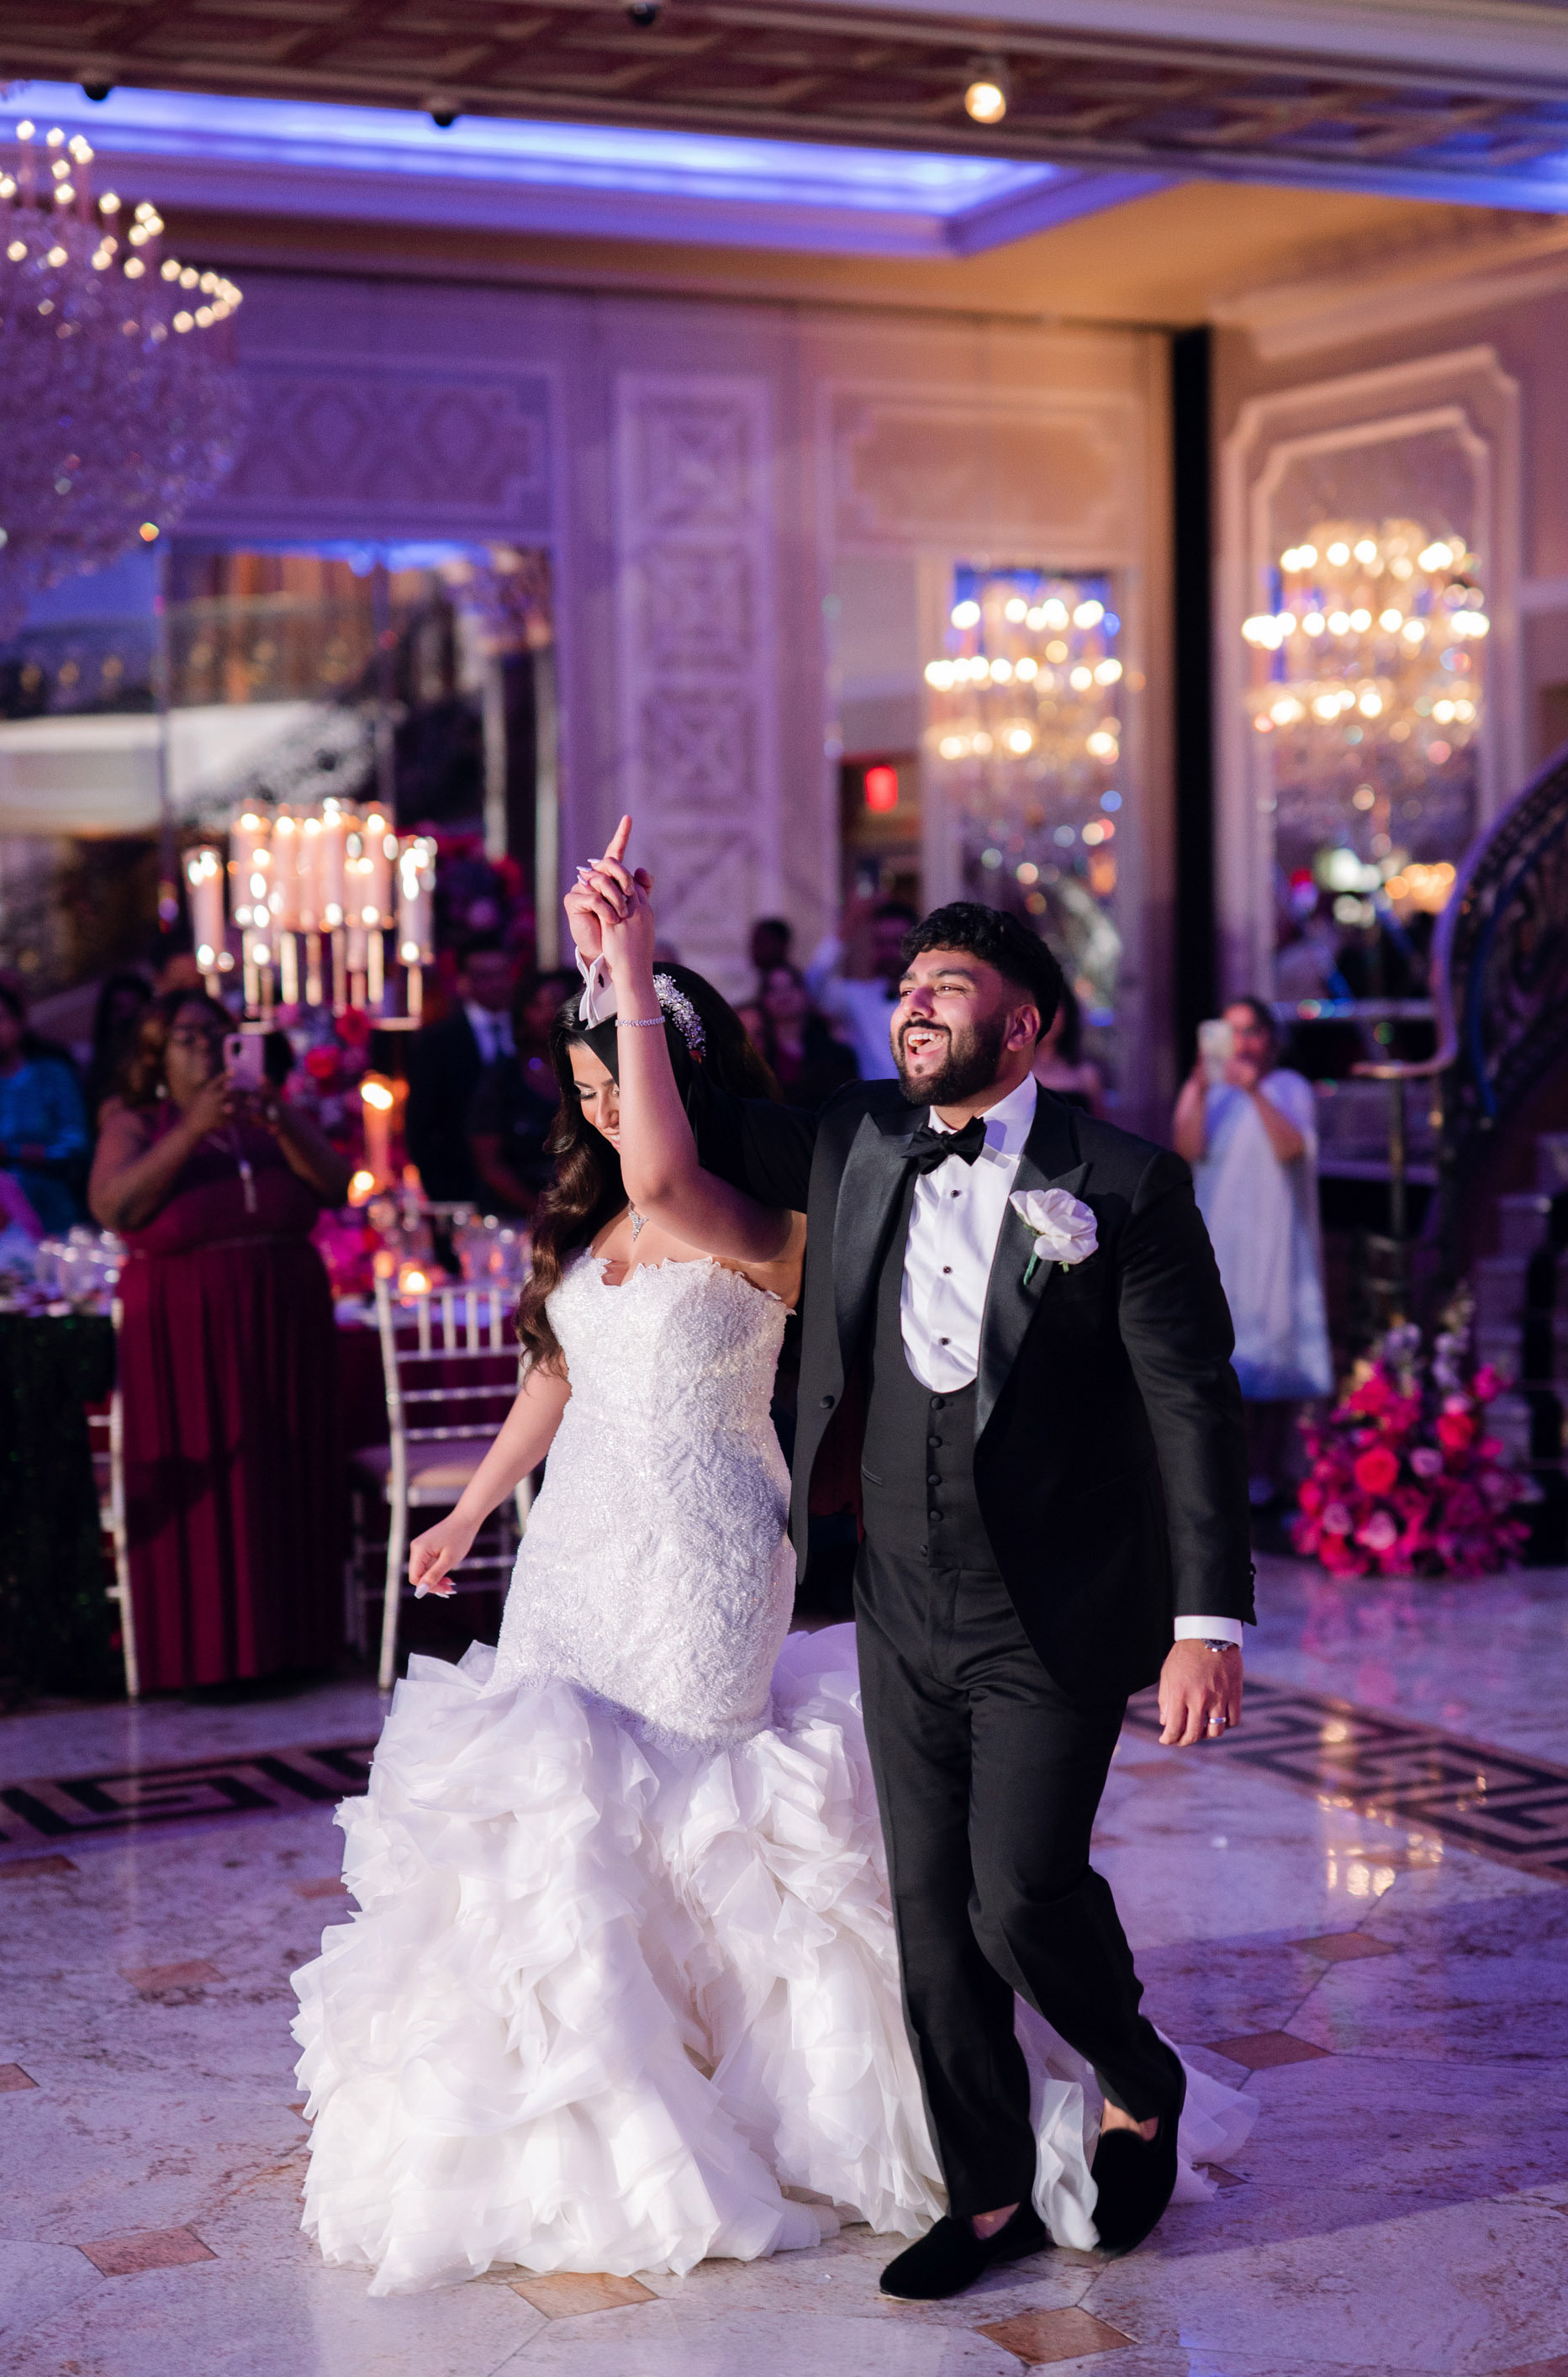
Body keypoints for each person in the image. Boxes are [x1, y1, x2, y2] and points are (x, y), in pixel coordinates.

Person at [289, 828, 1256, 2297]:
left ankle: (1136, 2070)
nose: (916, 1003)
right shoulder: (857, 1144)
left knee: (1018, 1893)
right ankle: (982, 2195)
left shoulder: (1108, 1186)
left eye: (951, 985)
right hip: (871, 1593)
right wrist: (612, 953)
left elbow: (1191, 1404)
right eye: (910, 984)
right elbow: (629, 1219)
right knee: (931, 1921)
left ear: (1028, 1021)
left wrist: (1207, 1622)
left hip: (1025, 1594)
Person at [88, 990, 352, 1691]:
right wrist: (192, 1128)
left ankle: (297, 1644)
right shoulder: (137, 1123)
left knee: (283, 1474)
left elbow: (334, 1185)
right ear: (155, 1055)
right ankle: (204, 1659)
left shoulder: (271, 1119)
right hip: (186, 1322)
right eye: (186, 1038)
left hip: (283, 1310)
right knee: (215, 1478)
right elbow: (116, 1207)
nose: (206, 1048)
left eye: (218, 1035)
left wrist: (281, 1113)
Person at [1172, 996, 1333, 1506]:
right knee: (1224, 1356)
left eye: (1251, 1031)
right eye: (1231, 1031)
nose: (1241, 1043)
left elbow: (1292, 1148)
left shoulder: (1289, 1088)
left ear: (1270, 1039)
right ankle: (1223, 1478)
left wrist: (1254, 1091)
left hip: (1274, 1236)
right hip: (1221, 1235)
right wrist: (1198, 1086)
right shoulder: (1210, 1093)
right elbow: (1185, 1151)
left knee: (1274, 1349)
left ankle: (1265, 1476)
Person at [405, 943, 516, 1205]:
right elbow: (420, 1124)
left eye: (503, 974)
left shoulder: (532, 1029)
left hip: (526, 1183)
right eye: (486, 976)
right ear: (464, 982)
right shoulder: (438, 1041)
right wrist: (441, 1192)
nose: (498, 984)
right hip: (460, 1186)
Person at [467, 966, 576, 1215]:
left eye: (558, 1003)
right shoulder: (502, 1078)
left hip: (584, 1210)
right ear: (523, 1013)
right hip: (515, 1216)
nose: (549, 1014)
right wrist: (539, 1211)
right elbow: (489, 1162)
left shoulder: (590, 1073)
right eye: (538, 1005)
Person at [0, 977, 89, 1233]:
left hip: (58, 1216)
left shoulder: (52, 1075)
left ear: (19, 1021)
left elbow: (76, 1145)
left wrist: (13, 1152)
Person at [806, 890, 916, 1081]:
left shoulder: (938, 997)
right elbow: (812, 985)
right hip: (877, 1106)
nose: (889, 951)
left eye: (897, 943)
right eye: (881, 943)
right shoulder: (858, 997)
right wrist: (848, 925)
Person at [756, 961, 858, 1110]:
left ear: (805, 994)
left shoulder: (837, 1055)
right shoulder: (758, 1056)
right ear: (763, 999)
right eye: (774, 989)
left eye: (791, 987)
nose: (783, 996)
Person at [86, 969, 155, 1133]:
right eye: (120, 1009)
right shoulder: (100, 1076)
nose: (128, 1020)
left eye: (136, 1010)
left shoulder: (164, 1062)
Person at [1035, 987, 1106, 1115]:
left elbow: (1101, 1129)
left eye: (1055, 1009)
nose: (1047, 1018)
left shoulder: (1086, 1074)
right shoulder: (1011, 1073)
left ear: (1068, 1013)